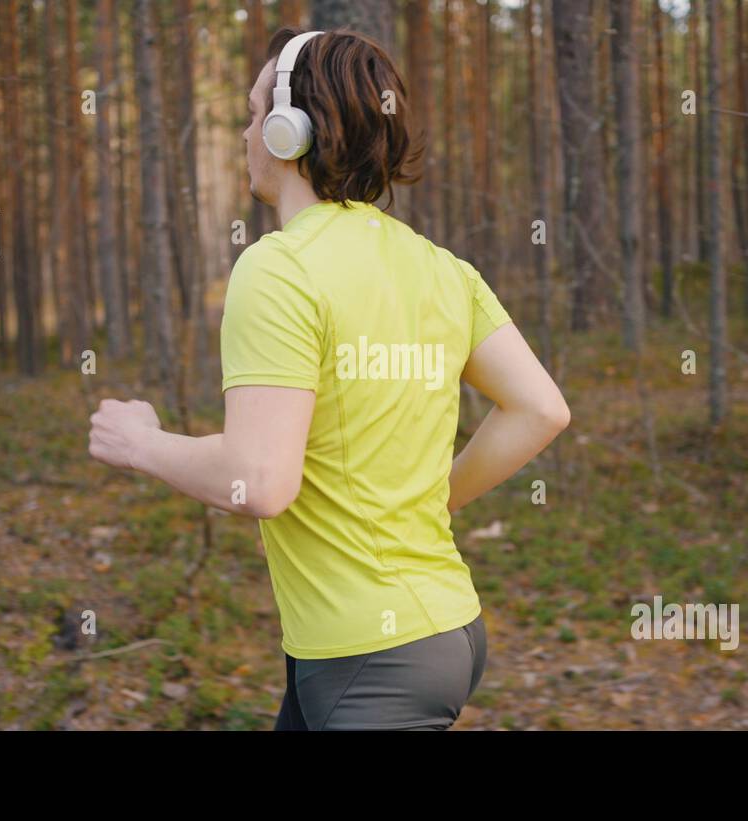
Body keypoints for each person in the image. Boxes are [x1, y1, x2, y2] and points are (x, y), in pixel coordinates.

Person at [88, 26, 570, 730]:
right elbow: (540, 408)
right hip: (437, 632)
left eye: (255, 113)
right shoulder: (440, 268)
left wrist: (142, 442)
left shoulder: (279, 266)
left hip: (373, 663)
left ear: (291, 131)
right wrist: (432, 500)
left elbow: (259, 480)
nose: (246, 131)